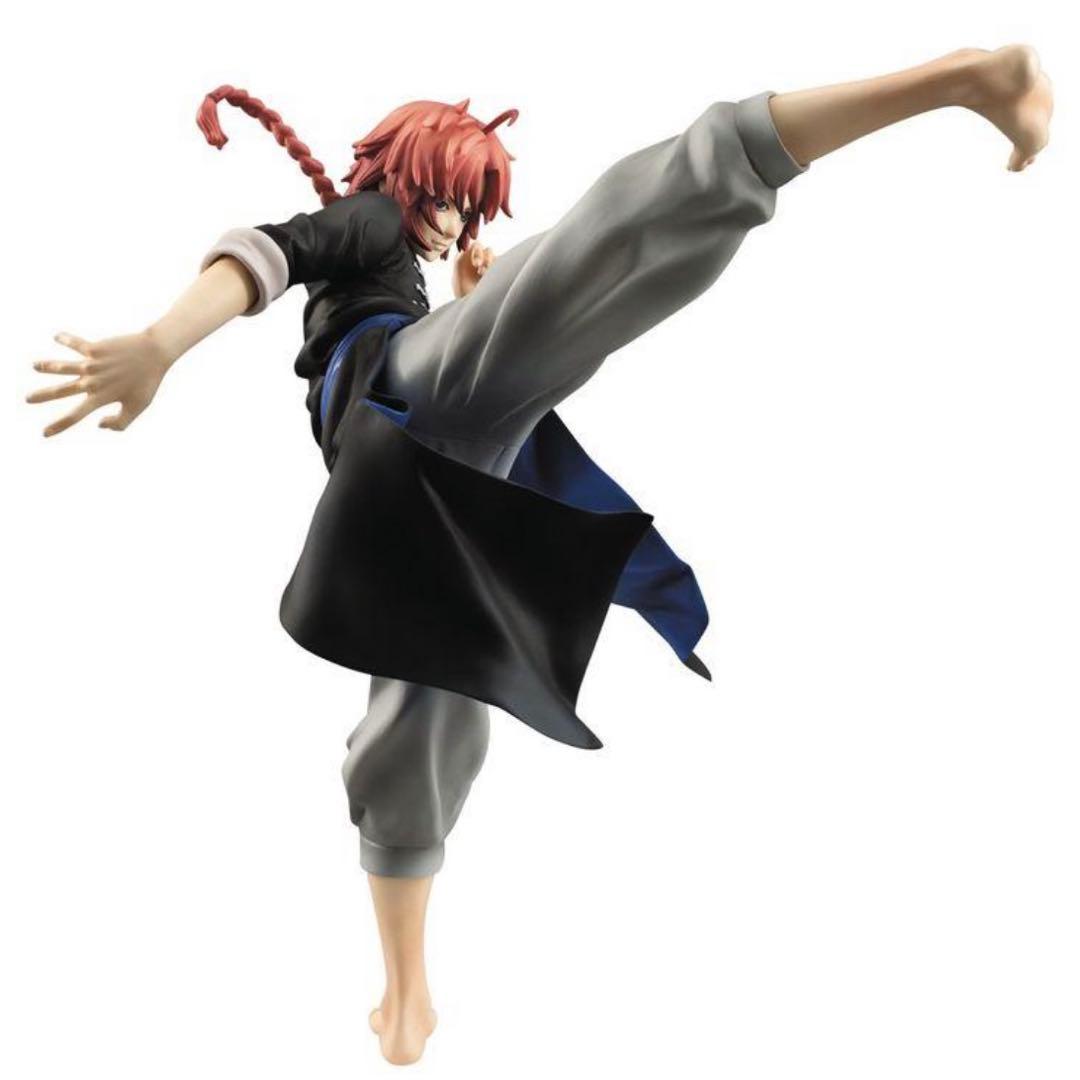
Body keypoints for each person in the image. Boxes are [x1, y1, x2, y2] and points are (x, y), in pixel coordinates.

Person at [27, 45, 1053, 1066]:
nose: (455, 224)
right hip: (407, 461)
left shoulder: (395, 264)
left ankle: (956, 80)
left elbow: (355, 304)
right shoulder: (373, 221)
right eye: (450, 202)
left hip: (417, 435)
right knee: (423, 715)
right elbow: (263, 253)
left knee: (610, 248)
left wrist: (463, 306)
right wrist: (159, 343)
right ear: (406, 178)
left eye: (468, 211)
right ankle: (406, 994)